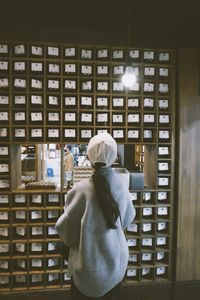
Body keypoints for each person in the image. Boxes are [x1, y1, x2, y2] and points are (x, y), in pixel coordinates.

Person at [55, 133, 135, 299]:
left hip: (86, 267)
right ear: (114, 158)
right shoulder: (122, 186)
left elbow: (67, 233)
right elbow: (127, 219)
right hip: (116, 266)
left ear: (89, 157)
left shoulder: (79, 190)